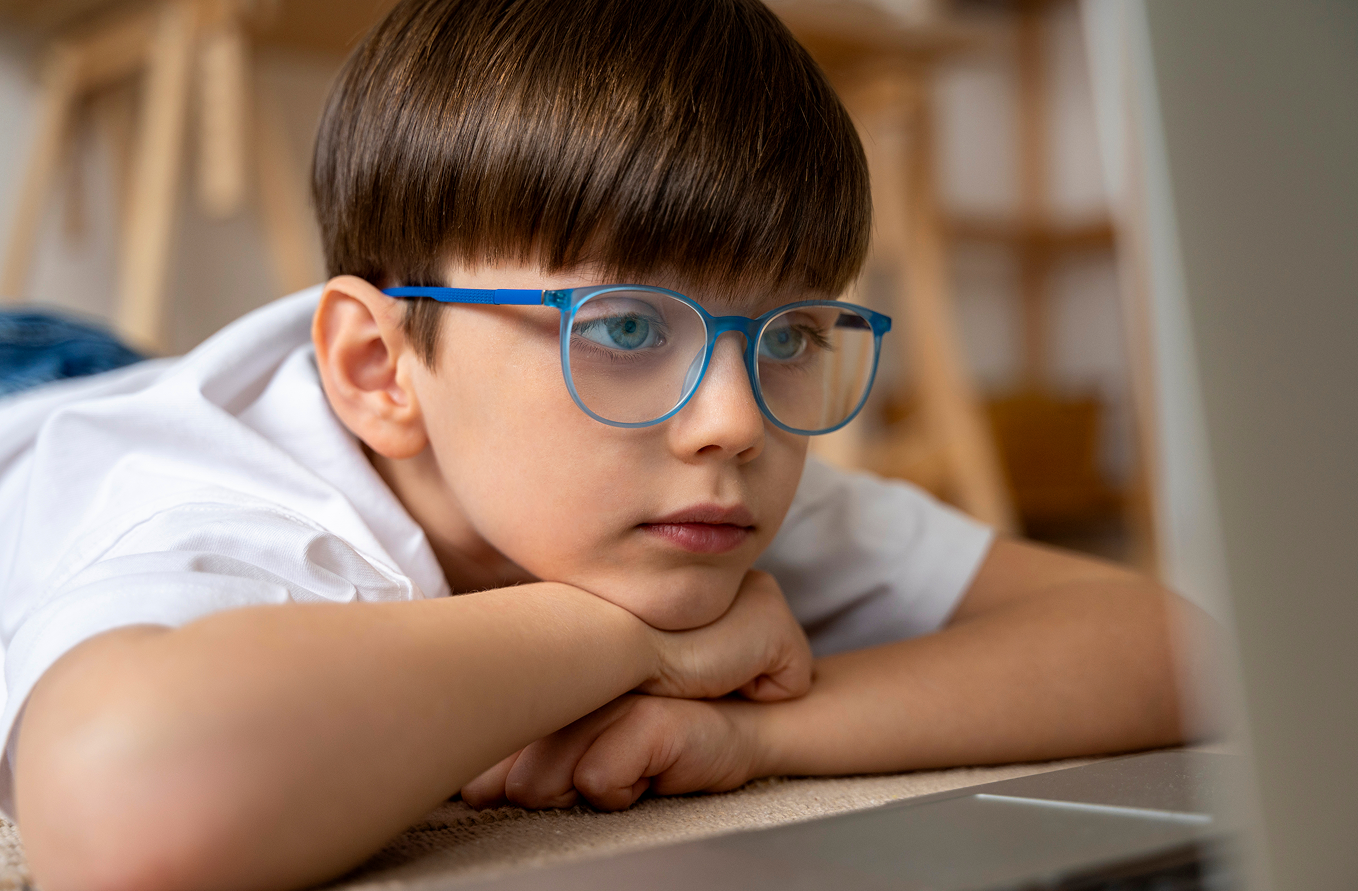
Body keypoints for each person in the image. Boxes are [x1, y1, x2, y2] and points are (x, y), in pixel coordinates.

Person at [0, 1, 1213, 889]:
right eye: (624, 324)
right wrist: (626, 637)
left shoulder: (695, 465)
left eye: (788, 334)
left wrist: (750, 732)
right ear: (380, 371)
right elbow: (122, 812)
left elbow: (1174, 649)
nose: (734, 419)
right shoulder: (241, 512)